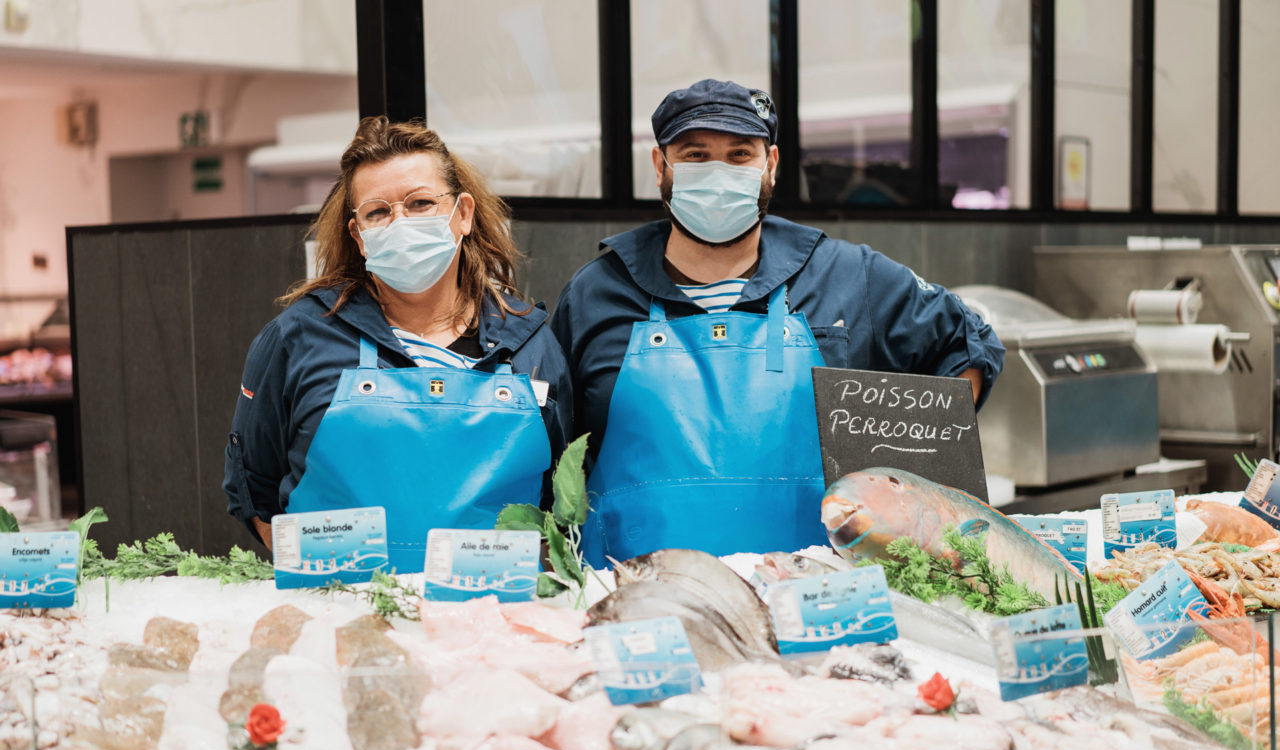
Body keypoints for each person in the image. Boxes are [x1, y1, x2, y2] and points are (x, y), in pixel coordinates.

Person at [551, 79, 1004, 567]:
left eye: (739, 155)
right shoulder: (595, 293)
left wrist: (908, 491)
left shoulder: (849, 277)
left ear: (771, 165)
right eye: (696, 155)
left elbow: (968, 341)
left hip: (818, 602)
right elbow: (551, 450)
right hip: (637, 604)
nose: (718, 172)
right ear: (662, 166)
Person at [224, 116, 572, 571]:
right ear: (359, 236)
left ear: (462, 214)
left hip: (488, 621)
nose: (400, 223)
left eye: (421, 203)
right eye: (378, 212)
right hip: (343, 620)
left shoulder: (530, 344)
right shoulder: (298, 337)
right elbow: (255, 489)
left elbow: (561, 496)